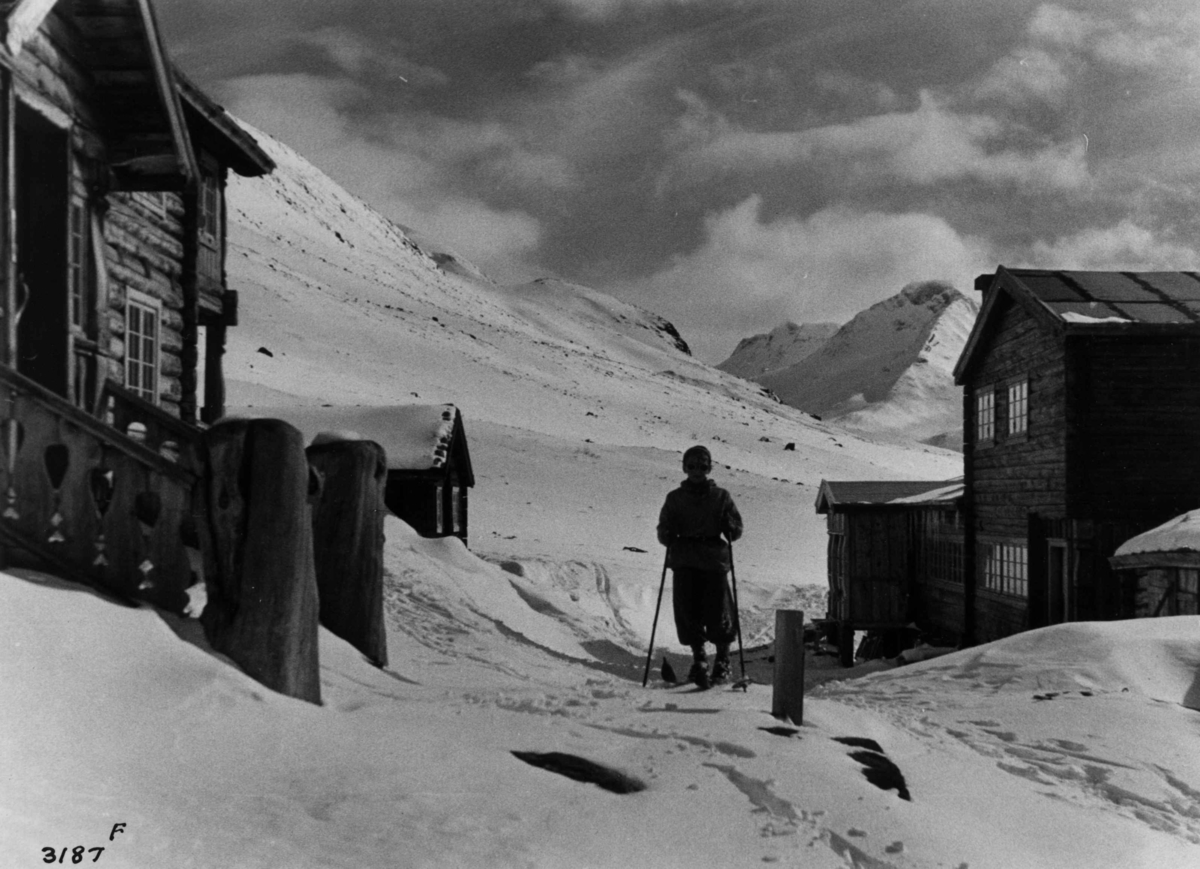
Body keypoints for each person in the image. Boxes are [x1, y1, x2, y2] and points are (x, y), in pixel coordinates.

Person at [656, 445, 744, 687]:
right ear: (684, 467)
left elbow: (736, 530)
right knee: (688, 611)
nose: (697, 470)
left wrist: (730, 525)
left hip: (713, 560)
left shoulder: (721, 496)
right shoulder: (674, 498)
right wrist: (667, 532)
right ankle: (700, 659)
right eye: (692, 466)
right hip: (684, 559)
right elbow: (663, 531)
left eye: (702, 466)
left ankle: (723, 660)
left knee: (718, 611)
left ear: (709, 468)